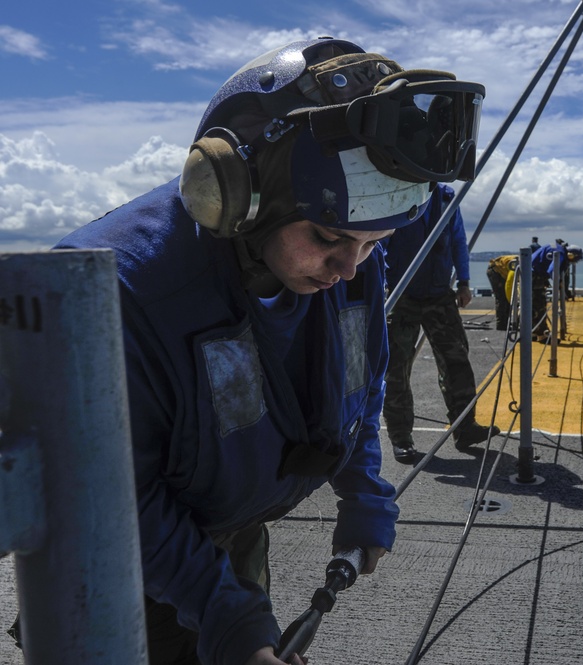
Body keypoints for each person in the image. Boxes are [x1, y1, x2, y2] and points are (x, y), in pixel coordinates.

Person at [48, 38, 484, 665]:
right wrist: (229, 618)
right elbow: (111, 498)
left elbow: (356, 384)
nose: (349, 268)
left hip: (231, 537)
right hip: (120, 568)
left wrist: (363, 489)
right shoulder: (117, 292)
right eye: (329, 238)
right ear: (230, 194)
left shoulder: (353, 258)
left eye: (373, 243)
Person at [383, 184, 500, 463]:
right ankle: (401, 438)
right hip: (401, 295)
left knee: (457, 361)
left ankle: (465, 428)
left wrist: (464, 282)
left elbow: (458, 240)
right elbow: (379, 243)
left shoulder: (447, 198)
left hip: (438, 294)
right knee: (395, 369)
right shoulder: (394, 191)